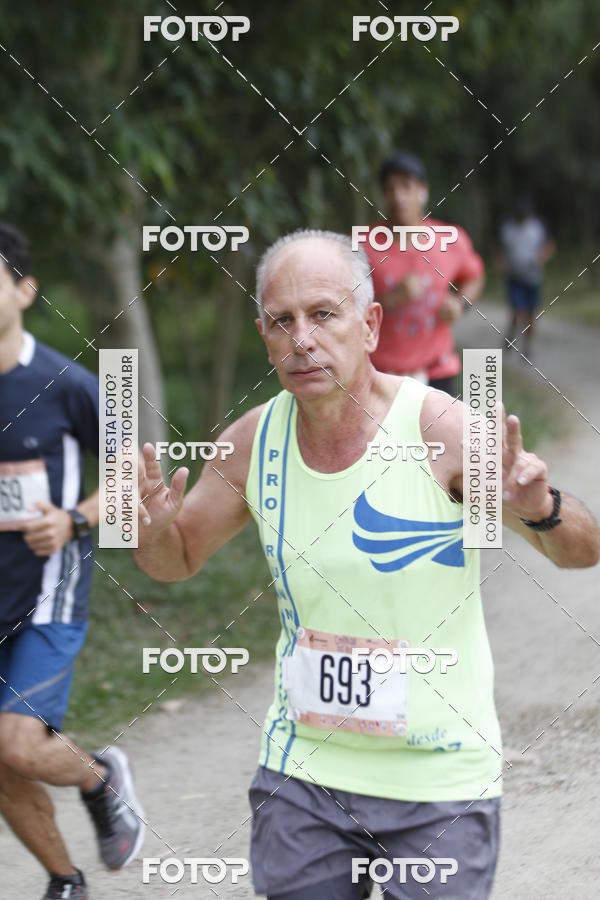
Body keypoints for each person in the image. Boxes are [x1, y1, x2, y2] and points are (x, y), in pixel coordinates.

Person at [133, 229, 599, 899]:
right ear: (263, 335)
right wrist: (149, 531)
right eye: (281, 321)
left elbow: (582, 552)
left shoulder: (440, 432)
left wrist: (541, 507)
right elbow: (174, 560)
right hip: (304, 781)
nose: (302, 339)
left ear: (370, 324)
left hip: (439, 782)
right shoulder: (252, 443)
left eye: (324, 314)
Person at [0, 223, 145, 899]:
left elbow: (135, 474)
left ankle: (100, 775)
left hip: (49, 589)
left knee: (18, 744)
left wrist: (75, 518)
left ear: (25, 290)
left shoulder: (69, 383)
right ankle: (66, 881)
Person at [364, 151, 485, 395]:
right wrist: (390, 300)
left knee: (442, 434)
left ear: (423, 190)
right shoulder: (362, 245)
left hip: (437, 371)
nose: (398, 197)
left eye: (406, 187)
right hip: (380, 375)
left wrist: (459, 304)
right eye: (390, 189)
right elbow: (341, 307)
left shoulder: (450, 238)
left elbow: (475, 275)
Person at [497, 196, 556, 360]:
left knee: (530, 315)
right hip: (514, 276)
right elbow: (498, 246)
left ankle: (527, 348)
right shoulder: (508, 227)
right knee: (517, 311)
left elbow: (549, 245)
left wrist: (540, 259)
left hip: (533, 278)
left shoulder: (537, 227)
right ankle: (510, 336)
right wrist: (500, 262)